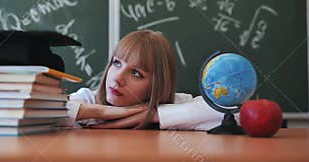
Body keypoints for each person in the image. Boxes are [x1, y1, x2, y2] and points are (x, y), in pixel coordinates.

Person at [65, 30, 224, 130]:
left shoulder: (174, 103)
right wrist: (100, 111)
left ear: (157, 85)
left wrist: (154, 114)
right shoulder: (89, 99)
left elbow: (233, 113)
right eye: (117, 63)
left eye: (136, 73)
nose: (118, 78)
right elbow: (43, 111)